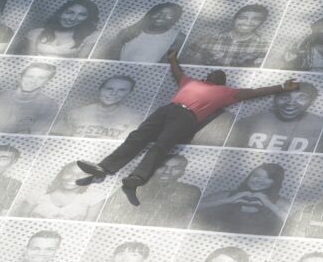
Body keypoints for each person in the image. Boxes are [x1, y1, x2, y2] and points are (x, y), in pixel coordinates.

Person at [77, 50, 298, 203]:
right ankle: (105, 167)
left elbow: (255, 92)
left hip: (187, 117)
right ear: (207, 76)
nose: (216, 74)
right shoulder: (191, 82)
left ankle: (137, 178)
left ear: (223, 82)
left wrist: (282, 86)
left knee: (160, 146)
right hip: (168, 109)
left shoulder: (227, 93)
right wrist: (173, 58)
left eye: (220, 75)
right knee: (137, 138)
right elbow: (178, 72)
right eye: (213, 72)